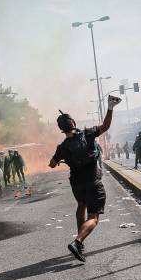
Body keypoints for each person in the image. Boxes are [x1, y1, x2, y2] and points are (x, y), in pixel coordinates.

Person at [49, 95, 122, 262]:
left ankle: (80, 241)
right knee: (94, 217)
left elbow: (52, 164)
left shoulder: (62, 147)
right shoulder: (88, 133)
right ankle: (78, 241)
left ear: (61, 129)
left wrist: (58, 160)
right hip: (93, 183)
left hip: (76, 184)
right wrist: (110, 108)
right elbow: (105, 126)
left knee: (81, 205)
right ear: (73, 123)